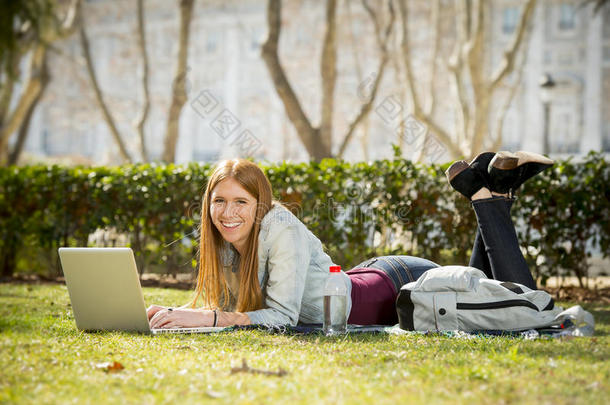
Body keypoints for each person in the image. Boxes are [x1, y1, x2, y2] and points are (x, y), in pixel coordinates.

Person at [148, 151, 553, 328]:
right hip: (367, 276)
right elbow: (227, 307)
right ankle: (493, 193)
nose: (228, 212)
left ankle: (488, 197)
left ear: (260, 205)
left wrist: (208, 318)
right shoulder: (222, 240)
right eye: (219, 201)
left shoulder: (279, 227)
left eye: (240, 201)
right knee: (483, 291)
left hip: (398, 284)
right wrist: (174, 313)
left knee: (517, 307)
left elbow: (281, 318)